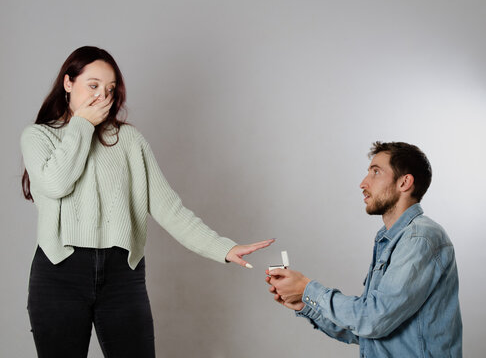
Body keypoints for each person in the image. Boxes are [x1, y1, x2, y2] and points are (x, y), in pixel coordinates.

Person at [20, 46, 274, 358]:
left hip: (121, 275)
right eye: (93, 85)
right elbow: (56, 184)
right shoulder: (38, 137)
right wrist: (82, 125)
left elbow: (170, 209)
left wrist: (225, 248)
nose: (102, 96)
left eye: (110, 89)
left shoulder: (129, 141)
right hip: (59, 274)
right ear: (68, 83)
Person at [266, 142, 462, 357]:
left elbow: (372, 320)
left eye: (376, 172)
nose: (363, 183)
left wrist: (307, 289)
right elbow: (366, 332)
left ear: (404, 182)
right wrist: (304, 304)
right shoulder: (389, 239)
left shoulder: (420, 238)